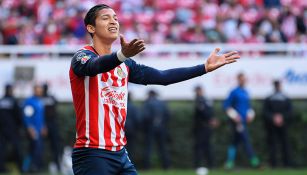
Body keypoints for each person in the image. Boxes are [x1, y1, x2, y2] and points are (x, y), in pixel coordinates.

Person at [69, 4, 240, 175]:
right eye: (105, 18)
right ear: (91, 27)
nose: (113, 21)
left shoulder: (125, 65)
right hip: (92, 153)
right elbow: (94, 66)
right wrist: (121, 55)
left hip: (120, 152)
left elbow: (162, 77)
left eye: (115, 17)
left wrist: (203, 67)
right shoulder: (83, 56)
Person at [224, 73, 259, 169]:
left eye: (244, 79)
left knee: (234, 142)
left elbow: (248, 107)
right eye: (241, 79)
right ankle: (255, 162)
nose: (243, 81)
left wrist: (250, 114)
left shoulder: (246, 92)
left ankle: (229, 163)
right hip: (237, 122)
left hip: (244, 121)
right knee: (246, 140)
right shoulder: (234, 92)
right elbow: (227, 106)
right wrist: (234, 116)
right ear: (238, 80)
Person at [262, 80, 293, 167]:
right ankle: (274, 164)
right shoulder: (269, 98)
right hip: (272, 125)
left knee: (285, 144)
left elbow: (290, 112)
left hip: (283, 125)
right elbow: (265, 112)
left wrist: (282, 117)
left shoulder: (285, 98)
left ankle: (287, 163)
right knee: (273, 145)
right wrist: (274, 118)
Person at [142, 90, 170, 170]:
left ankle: (147, 167)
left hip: (150, 128)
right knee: (163, 147)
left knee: (149, 148)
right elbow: (168, 115)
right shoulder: (162, 103)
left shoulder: (147, 103)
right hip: (161, 127)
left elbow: (145, 116)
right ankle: (166, 166)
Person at [22, 84, 47, 172]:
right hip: (33, 130)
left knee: (36, 148)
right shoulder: (30, 102)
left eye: (41, 90)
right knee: (34, 149)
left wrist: (43, 126)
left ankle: (33, 167)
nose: (40, 92)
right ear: (34, 90)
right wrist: (30, 128)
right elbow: (27, 116)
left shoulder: (40, 101)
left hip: (39, 130)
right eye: (38, 90)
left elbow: (41, 116)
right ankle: (29, 168)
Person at [193, 86, 218, 171]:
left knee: (201, 147)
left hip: (202, 127)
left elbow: (204, 112)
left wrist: (211, 119)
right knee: (206, 146)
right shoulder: (205, 100)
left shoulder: (200, 100)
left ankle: (199, 165)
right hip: (206, 126)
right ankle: (210, 165)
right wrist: (212, 119)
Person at [0, 84, 23, 172]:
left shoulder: (1, 101)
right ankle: (20, 168)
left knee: (1, 149)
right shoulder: (13, 101)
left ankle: (1, 168)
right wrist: (19, 127)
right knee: (17, 148)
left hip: (2, 129)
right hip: (12, 129)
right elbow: (18, 115)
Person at [42, 83, 62, 172]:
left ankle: (57, 165)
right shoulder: (43, 98)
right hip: (44, 124)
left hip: (52, 124)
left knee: (55, 146)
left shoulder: (47, 97)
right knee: (42, 146)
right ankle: (43, 165)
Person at [125, 92, 140, 163]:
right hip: (131, 130)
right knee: (131, 148)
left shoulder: (120, 106)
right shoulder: (134, 107)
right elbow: (137, 119)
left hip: (120, 130)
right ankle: (130, 163)